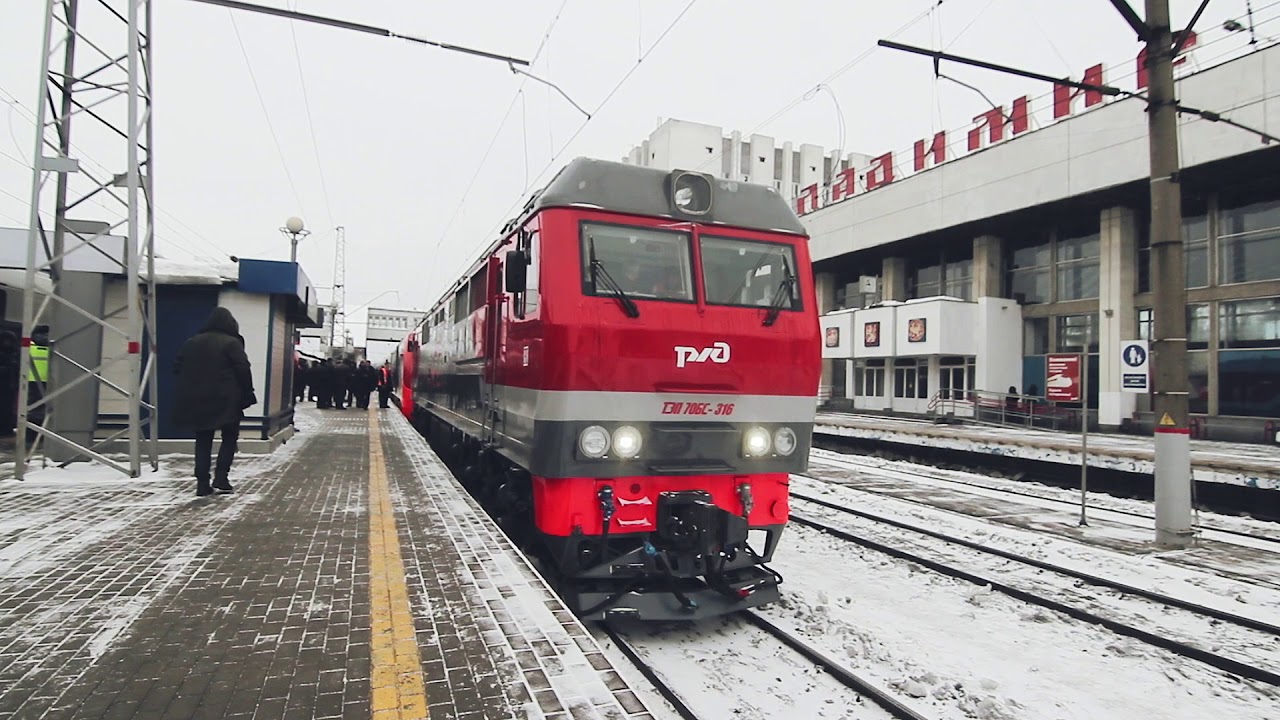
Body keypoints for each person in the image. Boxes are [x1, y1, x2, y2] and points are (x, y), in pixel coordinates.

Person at [173, 307, 255, 497]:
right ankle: (221, 477)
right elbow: (243, 368)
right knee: (229, 437)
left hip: (197, 399)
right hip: (227, 398)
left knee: (203, 439)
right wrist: (247, 391)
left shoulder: (191, 342)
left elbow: (177, 367)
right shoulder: (232, 343)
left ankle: (202, 482)